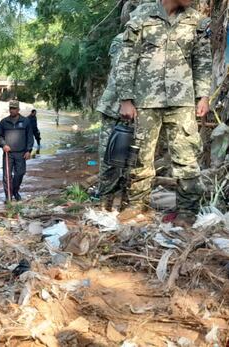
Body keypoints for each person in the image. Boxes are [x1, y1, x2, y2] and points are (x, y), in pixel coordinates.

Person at [116, 0, 211, 226]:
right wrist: (126, 99)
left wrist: (204, 96)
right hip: (146, 100)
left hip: (182, 101)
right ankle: (137, 205)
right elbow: (127, 58)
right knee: (141, 156)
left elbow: (203, 61)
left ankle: (187, 211)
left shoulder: (197, 21)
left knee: (186, 156)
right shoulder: (142, 16)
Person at [96, 34, 130, 211]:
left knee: (135, 160)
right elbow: (119, 70)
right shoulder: (123, 39)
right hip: (115, 107)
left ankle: (126, 203)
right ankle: (105, 202)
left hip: (145, 109)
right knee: (109, 158)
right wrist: (127, 100)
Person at [0, 100, 33, 202]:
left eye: (14, 109)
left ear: (18, 109)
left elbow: (30, 137)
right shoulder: (4, 122)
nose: (12, 110)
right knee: (6, 176)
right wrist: (3, 145)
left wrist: (28, 151)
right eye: (10, 108)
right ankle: (8, 196)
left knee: (20, 173)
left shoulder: (25, 121)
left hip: (21, 153)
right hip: (8, 153)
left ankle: (15, 191)